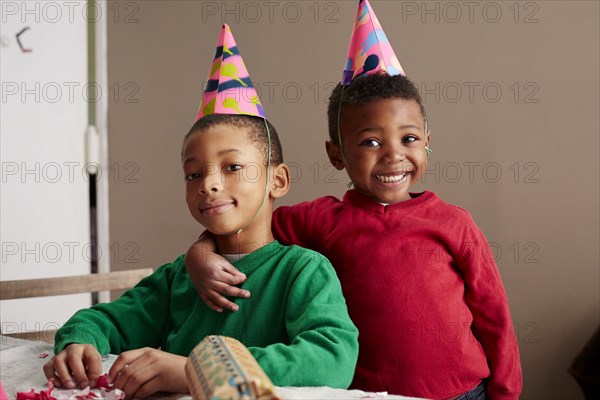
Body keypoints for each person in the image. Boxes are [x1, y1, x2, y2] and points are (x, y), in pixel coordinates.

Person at [184, 2, 522, 399]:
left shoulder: (455, 223)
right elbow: (246, 225)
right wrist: (200, 253)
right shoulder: (320, 220)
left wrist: (505, 393)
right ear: (336, 154)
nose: (394, 155)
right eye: (371, 142)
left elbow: (495, 318)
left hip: (464, 392)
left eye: (409, 139)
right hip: (364, 394)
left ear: (428, 141)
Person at [43, 24, 358, 399]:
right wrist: (78, 343)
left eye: (232, 167)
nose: (207, 184)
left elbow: (331, 360)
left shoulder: (302, 271)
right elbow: (105, 319)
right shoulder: (178, 277)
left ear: (278, 180)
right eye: (194, 173)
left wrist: (195, 370)